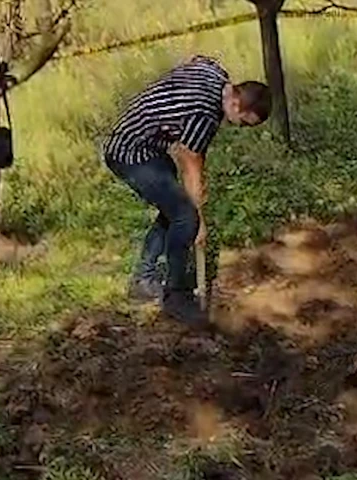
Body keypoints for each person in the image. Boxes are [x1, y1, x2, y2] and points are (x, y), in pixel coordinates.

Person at [103, 55, 271, 326]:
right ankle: (177, 295)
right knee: (185, 217)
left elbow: (194, 59)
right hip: (129, 153)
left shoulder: (215, 73)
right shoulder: (205, 114)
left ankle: (143, 279)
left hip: (148, 147)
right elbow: (191, 160)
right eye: (242, 121)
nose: (237, 127)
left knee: (174, 210)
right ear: (236, 103)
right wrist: (199, 221)